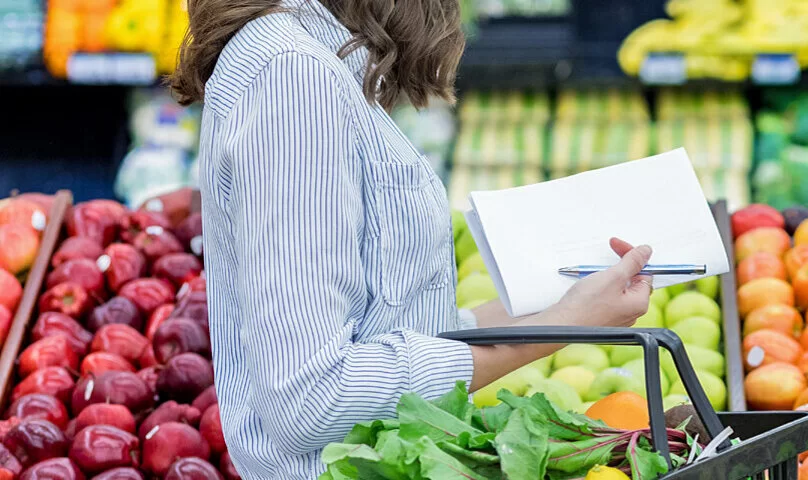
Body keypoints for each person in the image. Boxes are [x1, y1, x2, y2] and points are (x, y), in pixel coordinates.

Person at [169, 0, 656, 477]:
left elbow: (380, 327)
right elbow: (312, 397)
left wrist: (560, 309)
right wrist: (563, 325)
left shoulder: (313, 60)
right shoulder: (292, 76)